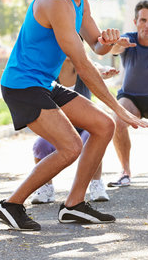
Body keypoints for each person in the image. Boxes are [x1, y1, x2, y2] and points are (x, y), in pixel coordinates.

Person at [0, 0, 148, 231]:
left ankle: (74, 205)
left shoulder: (80, 1)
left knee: (104, 126)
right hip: (23, 85)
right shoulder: (57, 1)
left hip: (43, 83)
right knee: (69, 146)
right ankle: (12, 204)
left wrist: (108, 41)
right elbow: (82, 64)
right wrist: (121, 109)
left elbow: (96, 45)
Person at [107, 0, 148, 188]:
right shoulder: (128, 39)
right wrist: (115, 44)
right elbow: (115, 48)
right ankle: (125, 172)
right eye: (143, 20)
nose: (147, 25)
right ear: (135, 21)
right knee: (117, 120)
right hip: (131, 99)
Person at [31, 57, 118, 204]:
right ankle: (46, 187)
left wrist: (105, 72)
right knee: (40, 146)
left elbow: (98, 69)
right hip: (59, 127)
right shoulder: (51, 69)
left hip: (84, 126)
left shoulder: (83, 66)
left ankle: (96, 184)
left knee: (93, 140)